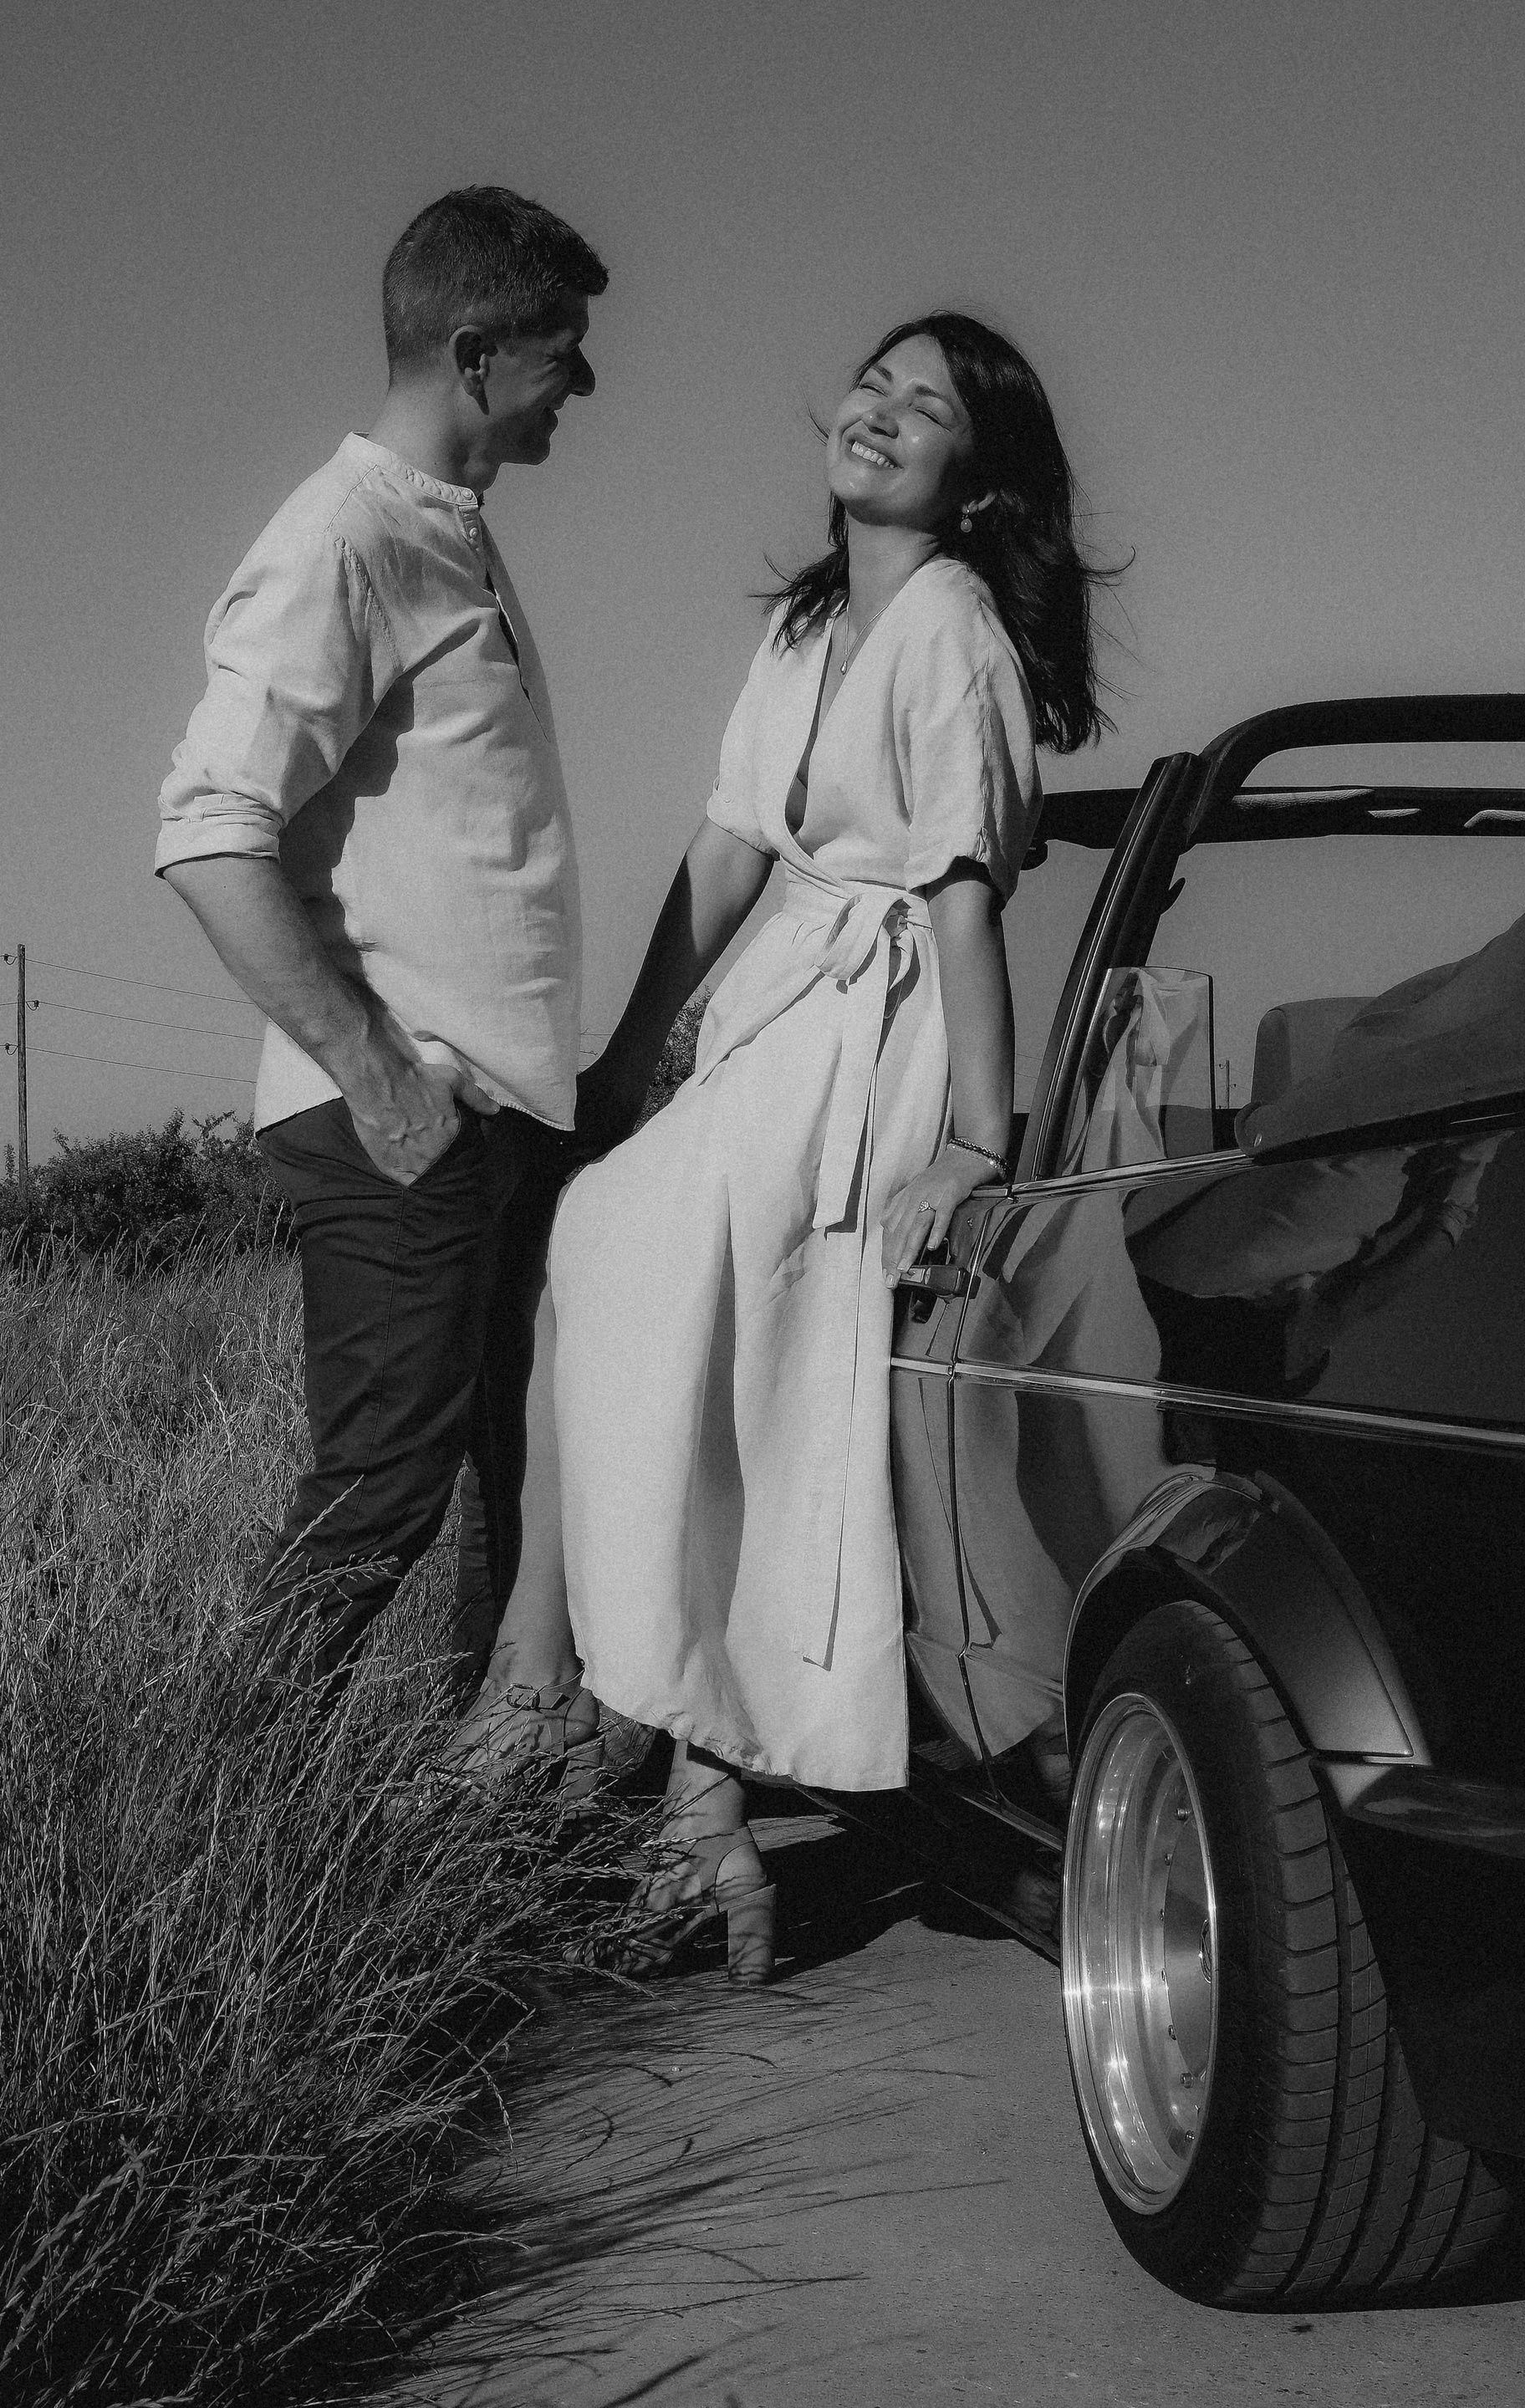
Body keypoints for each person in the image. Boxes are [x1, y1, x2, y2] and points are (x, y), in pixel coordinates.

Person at [465, 312, 1112, 1977]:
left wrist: (976, 1143)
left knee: (632, 1267)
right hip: (784, 1012)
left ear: (977, 485)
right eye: (875, 383)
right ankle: (686, 1802)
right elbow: (726, 854)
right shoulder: (814, 622)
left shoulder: (952, 629)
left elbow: (961, 905)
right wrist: (626, 1066)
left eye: (929, 408)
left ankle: (559, 1692)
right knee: (684, 1327)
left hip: (877, 1041)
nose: (881, 413)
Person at [154, 186, 607, 1694]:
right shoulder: (346, 539)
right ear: (476, 353)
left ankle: (498, 1804)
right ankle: (224, 1803)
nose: (583, 379)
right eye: (563, 348)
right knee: (381, 1492)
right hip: (403, 1121)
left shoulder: (450, 536)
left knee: (511, 1489)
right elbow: (208, 831)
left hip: (496, 1115)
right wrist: (381, 1078)